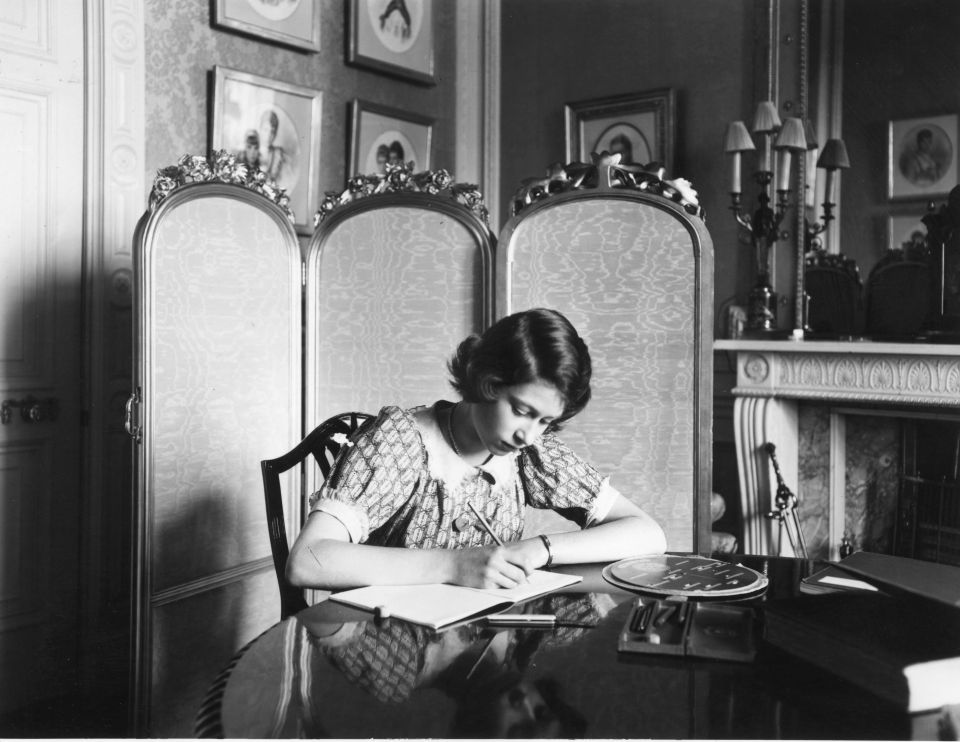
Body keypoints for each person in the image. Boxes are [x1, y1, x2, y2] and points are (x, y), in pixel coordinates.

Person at [286, 308, 667, 592]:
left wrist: (541, 549)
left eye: (545, 421)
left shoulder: (529, 453)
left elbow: (649, 534)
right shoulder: (401, 441)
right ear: (487, 383)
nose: (529, 436)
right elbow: (306, 561)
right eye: (521, 411)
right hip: (393, 651)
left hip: (483, 652)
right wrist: (453, 566)